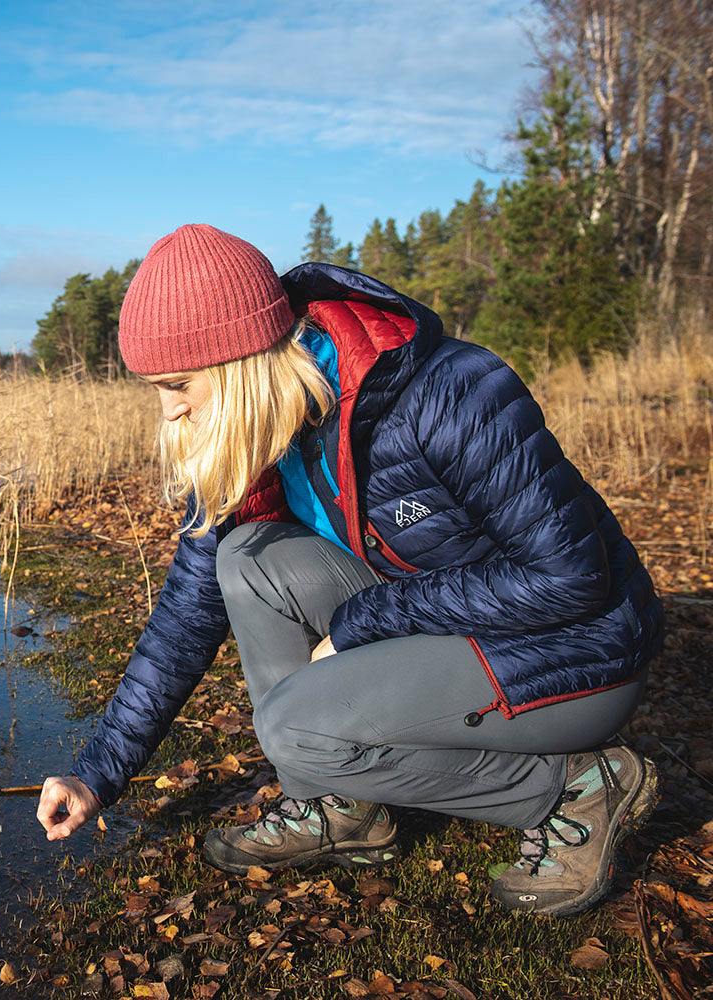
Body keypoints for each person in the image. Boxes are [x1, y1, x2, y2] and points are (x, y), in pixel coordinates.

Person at [37, 224, 663, 917]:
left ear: (237, 360)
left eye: (179, 384)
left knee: (293, 727)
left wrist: (364, 621)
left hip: (575, 652)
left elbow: (569, 577)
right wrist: (98, 774)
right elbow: (187, 610)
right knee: (245, 559)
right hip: (450, 624)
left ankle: (575, 786)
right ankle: (338, 809)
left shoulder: (447, 394)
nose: (170, 407)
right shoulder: (260, 431)